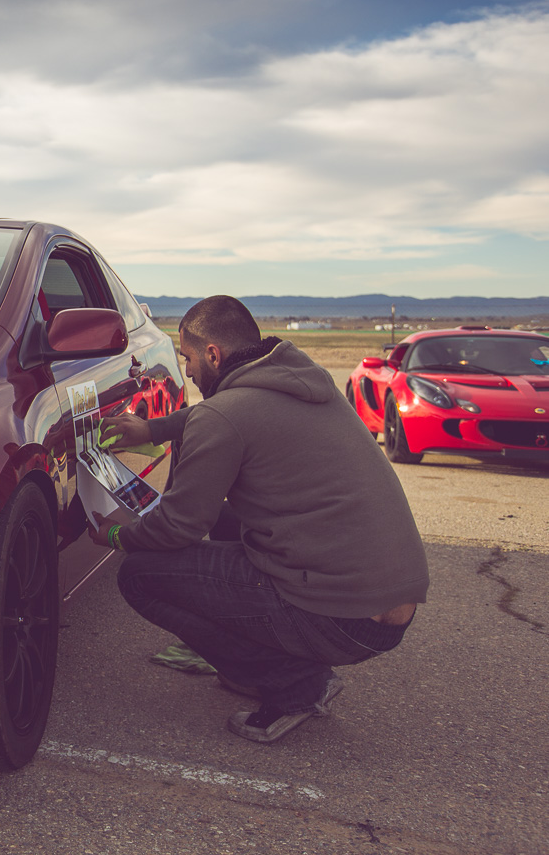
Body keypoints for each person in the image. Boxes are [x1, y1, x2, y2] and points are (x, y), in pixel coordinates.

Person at [95, 295, 428, 743]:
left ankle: (295, 685)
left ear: (214, 354)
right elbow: (226, 413)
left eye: (188, 358)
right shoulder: (302, 382)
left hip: (341, 620)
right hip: (389, 606)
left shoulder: (224, 415)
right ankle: (289, 663)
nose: (188, 371)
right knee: (226, 522)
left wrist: (117, 534)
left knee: (139, 574)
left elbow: (178, 526)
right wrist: (154, 429)